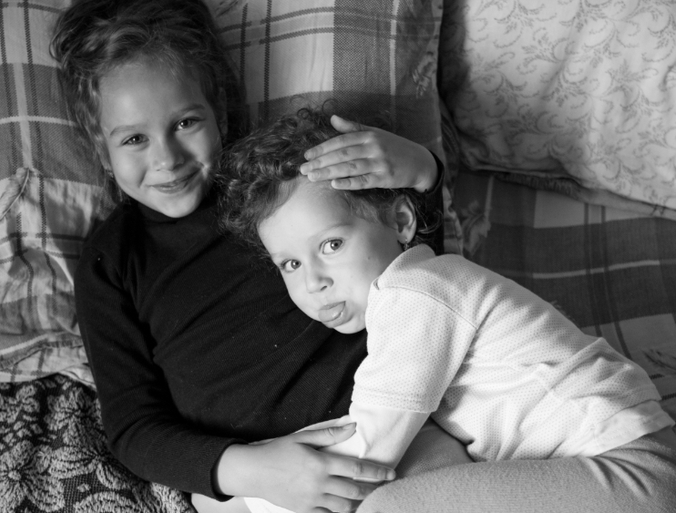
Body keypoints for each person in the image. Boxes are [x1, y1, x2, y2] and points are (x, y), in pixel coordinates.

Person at [50, 1, 453, 513]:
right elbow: (133, 429)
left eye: (185, 122)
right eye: (134, 139)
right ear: (101, 150)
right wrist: (254, 471)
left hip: (386, 426)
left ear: (218, 111)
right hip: (254, 480)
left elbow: (421, 278)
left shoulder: (285, 182)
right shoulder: (110, 261)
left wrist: (423, 173)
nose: (166, 159)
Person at [218, 108, 676, 513]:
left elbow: (369, 446)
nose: (313, 281)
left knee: (386, 506)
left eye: (331, 245)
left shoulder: (417, 293)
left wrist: (241, 495)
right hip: (591, 472)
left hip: (627, 469)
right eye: (291, 264)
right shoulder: (414, 293)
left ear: (401, 221)